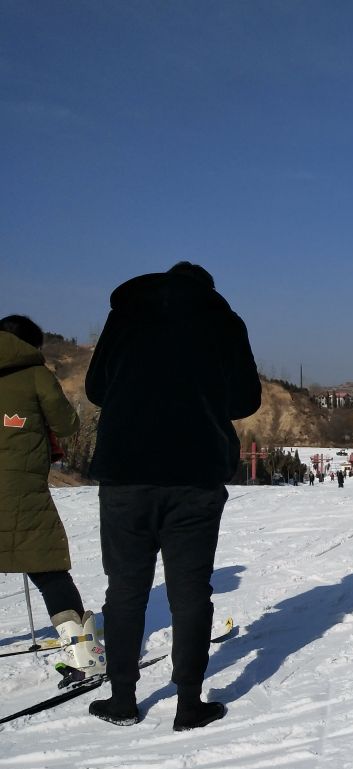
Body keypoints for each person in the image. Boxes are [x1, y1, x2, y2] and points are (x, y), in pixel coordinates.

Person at [85, 263, 262, 730]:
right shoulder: (223, 320)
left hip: (125, 472)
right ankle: (188, 703)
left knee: (124, 590)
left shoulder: (124, 314)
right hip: (194, 472)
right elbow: (245, 400)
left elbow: (96, 388)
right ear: (207, 289)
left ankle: (122, 699)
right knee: (189, 591)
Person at [0, 315, 105, 676]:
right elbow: (67, 424)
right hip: (20, 488)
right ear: (33, 345)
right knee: (47, 565)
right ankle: (83, 654)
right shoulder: (36, 374)